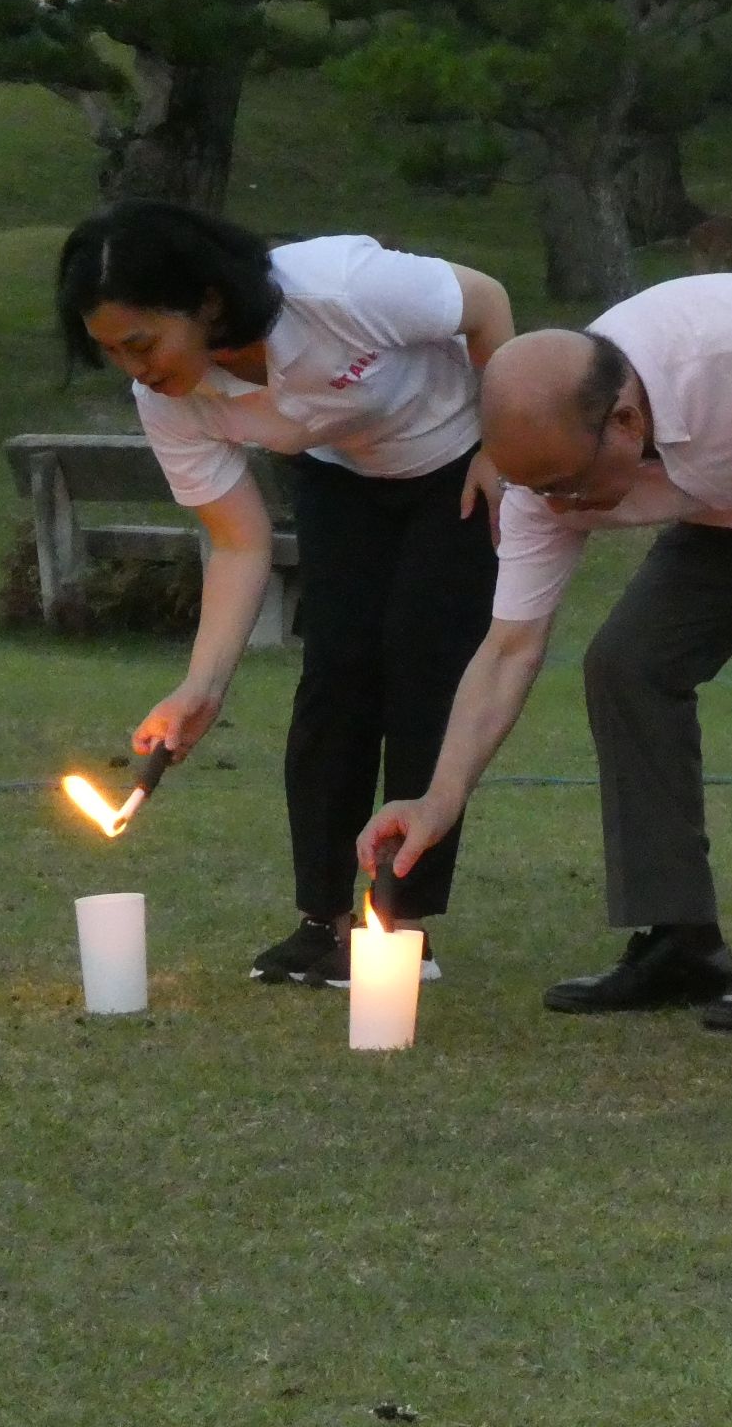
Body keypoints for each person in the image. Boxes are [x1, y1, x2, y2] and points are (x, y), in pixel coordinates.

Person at [357, 273, 732, 1029]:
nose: (554, 508)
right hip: (726, 515)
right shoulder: (543, 478)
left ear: (624, 421)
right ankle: (677, 938)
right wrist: (439, 796)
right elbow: (509, 648)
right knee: (626, 664)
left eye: (565, 487)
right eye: (532, 489)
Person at [57, 201, 513, 985]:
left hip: (456, 465)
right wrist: (202, 686)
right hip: (342, 474)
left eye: (143, 342)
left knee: (424, 667)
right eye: (113, 353)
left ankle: (396, 923)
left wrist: (503, 445)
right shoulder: (168, 399)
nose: (137, 368)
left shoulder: (339, 287)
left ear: (204, 300)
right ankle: (323, 919)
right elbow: (240, 543)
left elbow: (488, 303)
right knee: (335, 675)